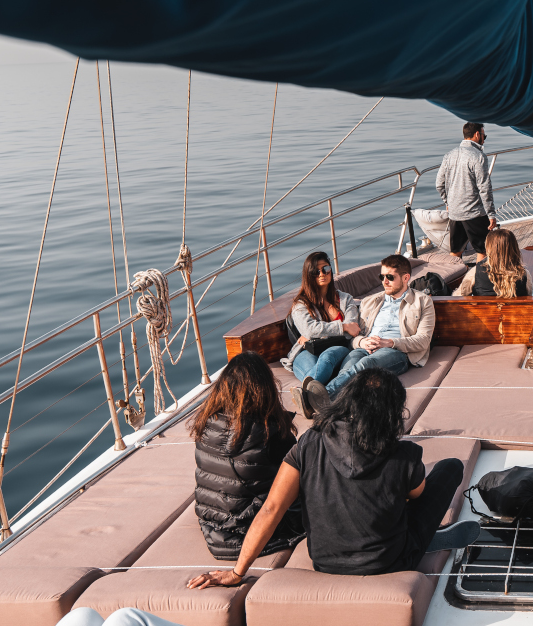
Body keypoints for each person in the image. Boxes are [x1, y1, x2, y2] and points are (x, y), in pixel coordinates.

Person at [187, 369, 481, 588]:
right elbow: (417, 497)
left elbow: (271, 509)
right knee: (451, 468)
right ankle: (421, 537)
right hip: (390, 560)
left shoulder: (309, 442)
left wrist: (238, 572)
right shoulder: (404, 454)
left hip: (324, 561)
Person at [190, 351, 304, 560]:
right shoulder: (270, 431)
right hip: (252, 532)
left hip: (213, 527)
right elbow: (297, 480)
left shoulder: (206, 422)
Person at [302, 255, 435, 411]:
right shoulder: (369, 301)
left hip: (396, 352)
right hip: (364, 347)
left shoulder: (423, 301)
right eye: (382, 276)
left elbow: (424, 340)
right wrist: (361, 342)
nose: (384, 281)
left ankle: (319, 398)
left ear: (406, 278)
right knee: (348, 368)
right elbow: (353, 336)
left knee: (366, 365)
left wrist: (390, 342)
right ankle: (330, 409)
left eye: (390, 277)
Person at [285, 251, 361, 417]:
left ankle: (305, 400)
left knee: (328, 356)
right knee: (314, 376)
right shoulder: (301, 303)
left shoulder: (345, 299)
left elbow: (353, 329)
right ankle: (317, 401)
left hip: (338, 348)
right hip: (305, 351)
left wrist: (318, 333)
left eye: (325, 268)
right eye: (316, 271)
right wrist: (342, 327)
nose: (322, 274)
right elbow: (309, 330)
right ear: (309, 275)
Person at [436, 122, 497, 264]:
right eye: (484, 135)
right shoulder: (479, 156)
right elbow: (484, 188)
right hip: (474, 212)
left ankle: (455, 279)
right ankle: (479, 283)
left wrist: (448, 203)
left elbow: (439, 184)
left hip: (455, 213)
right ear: (477, 134)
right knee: (484, 250)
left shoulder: (449, 155)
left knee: (455, 251)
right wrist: (491, 214)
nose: (484, 138)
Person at [454, 228, 531, 298]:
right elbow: (528, 295)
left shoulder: (476, 271)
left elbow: (461, 295)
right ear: (514, 248)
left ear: (489, 248)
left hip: (485, 311)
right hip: (514, 312)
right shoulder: (523, 273)